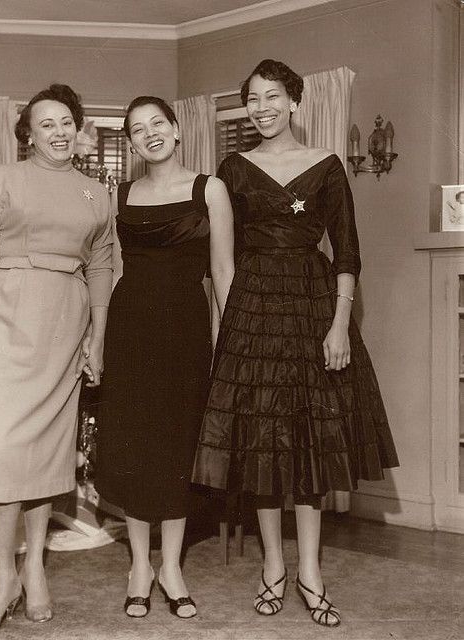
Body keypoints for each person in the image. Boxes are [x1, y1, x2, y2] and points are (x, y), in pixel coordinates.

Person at [192, 59, 399, 627]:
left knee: (307, 447)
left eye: (272, 97)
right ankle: (272, 571)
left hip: (313, 310)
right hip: (252, 314)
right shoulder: (231, 170)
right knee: (262, 446)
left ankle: (311, 574)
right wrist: (233, 328)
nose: (262, 108)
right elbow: (224, 259)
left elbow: (349, 254)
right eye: (252, 100)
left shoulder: (328, 167)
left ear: (295, 102)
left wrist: (339, 325)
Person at [0, 84, 113, 639]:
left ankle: (35, 568)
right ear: (28, 133)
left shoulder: (98, 194)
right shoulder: (1, 178)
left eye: (67, 121)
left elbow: (100, 270)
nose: (58, 131)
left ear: (79, 128)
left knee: (46, 453)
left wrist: (96, 337)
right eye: (46, 123)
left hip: (65, 323)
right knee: (3, 451)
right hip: (6, 318)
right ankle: (4, 578)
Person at [94, 96, 234, 619]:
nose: (148, 134)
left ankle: (171, 567)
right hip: (132, 330)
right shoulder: (121, 193)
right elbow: (105, 267)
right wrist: (98, 334)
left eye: (157, 124)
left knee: (177, 444)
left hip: (186, 331)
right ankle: (138, 565)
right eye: (136, 129)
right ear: (129, 144)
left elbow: (223, 273)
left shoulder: (209, 188)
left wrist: (229, 340)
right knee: (135, 444)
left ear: (176, 131)